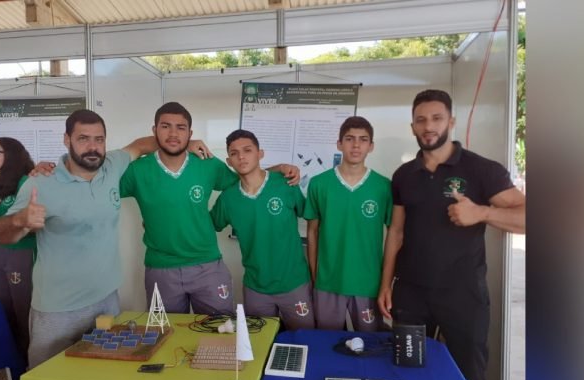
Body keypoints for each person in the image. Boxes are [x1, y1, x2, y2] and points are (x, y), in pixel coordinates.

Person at [0, 109, 196, 380]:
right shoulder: (43, 184)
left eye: (98, 139)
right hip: (57, 310)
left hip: (105, 302)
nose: (92, 147)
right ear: (67, 140)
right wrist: (20, 220)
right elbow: (1, 234)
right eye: (83, 138)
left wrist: (186, 142)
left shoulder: (112, 164)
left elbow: (142, 145)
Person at [377, 89, 526, 380]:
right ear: (412, 127)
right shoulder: (403, 176)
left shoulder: (482, 170)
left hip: (463, 294)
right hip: (411, 293)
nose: (428, 126)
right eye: (421, 120)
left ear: (451, 121)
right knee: (408, 374)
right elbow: (396, 232)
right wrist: (386, 284)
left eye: (436, 118)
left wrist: (484, 213)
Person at [119, 102, 299, 317]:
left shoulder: (207, 164)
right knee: (167, 338)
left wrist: (277, 169)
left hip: (208, 267)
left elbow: (246, 180)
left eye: (181, 128)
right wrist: (140, 146)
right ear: (154, 130)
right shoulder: (137, 171)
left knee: (219, 334)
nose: (173, 133)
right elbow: (100, 177)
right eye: (166, 126)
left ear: (190, 133)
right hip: (161, 269)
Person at [210, 129, 315, 330]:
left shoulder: (286, 184)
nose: (241, 156)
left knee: (304, 341)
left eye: (247, 150)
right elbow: (206, 225)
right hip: (256, 288)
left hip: (294, 284)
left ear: (260, 153)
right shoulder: (228, 198)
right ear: (229, 161)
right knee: (259, 347)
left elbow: (313, 219)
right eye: (234, 153)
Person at [304, 116, 392, 332]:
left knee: (371, 347)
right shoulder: (319, 184)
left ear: (371, 146)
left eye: (363, 139)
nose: (356, 145)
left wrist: (386, 283)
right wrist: (315, 275)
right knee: (327, 344)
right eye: (350, 138)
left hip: (368, 283)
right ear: (339, 144)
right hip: (327, 282)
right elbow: (312, 233)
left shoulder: (384, 187)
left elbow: (394, 236)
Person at [0, 136, 36, 380]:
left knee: (23, 317)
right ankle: (12, 375)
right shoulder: (0, 184)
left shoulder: (28, 181)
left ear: (11, 155)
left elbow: (20, 224)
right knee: (2, 316)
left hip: (21, 255)